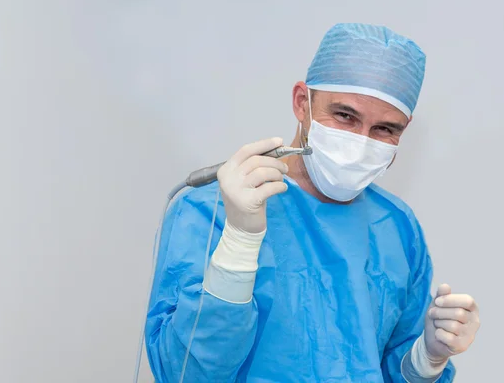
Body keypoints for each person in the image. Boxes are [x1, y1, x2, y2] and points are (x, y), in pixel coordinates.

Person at [144, 23, 481, 382]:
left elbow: (388, 370)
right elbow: (184, 373)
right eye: (345, 116)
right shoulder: (209, 211)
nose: (361, 142)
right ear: (302, 103)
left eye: (384, 129)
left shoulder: (397, 227)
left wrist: (427, 359)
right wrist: (239, 241)